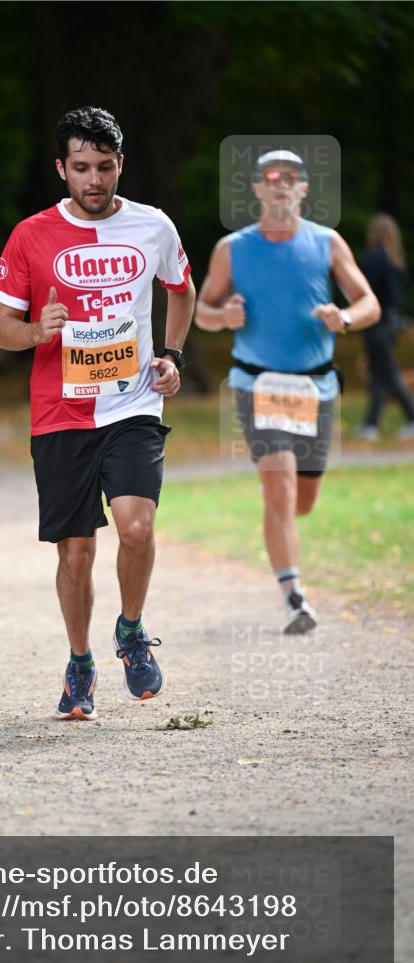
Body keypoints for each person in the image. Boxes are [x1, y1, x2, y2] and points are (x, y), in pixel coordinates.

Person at [0, 106, 195, 720]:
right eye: (81, 167)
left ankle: (130, 631)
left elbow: (181, 290)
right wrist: (36, 331)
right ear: (62, 169)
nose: (94, 179)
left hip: (134, 404)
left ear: (120, 164)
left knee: (137, 528)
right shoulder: (31, 235)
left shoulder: (153, 226)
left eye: (104, 166)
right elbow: (1, 329)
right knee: (76, 553)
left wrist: (172, 355)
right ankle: (80, 663)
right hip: (61, 413)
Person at [195, 150, 380, 634]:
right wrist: (223, 316)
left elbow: (369, 302)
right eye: (270, 177)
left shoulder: (327, 242)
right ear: (257, 188)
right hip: (258, 382)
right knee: (279, 486)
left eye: (290, 177)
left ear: (303, 188)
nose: (280, 184)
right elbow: (202, 311)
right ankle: (295, 597)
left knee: (301, 501)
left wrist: (344, 318)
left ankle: (282, 526)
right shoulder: (232, 249)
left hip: (315, 384)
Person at [355, 213, 414, 441]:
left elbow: (365, 290)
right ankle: (371, 425)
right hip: (391, 323)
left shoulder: (375, 258)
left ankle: (411, 418)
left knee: (389, 375)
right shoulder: (394, 259)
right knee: (378, 376)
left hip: (377, 324)